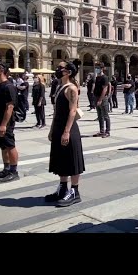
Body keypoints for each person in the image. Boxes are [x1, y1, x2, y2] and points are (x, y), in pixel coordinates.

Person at [45, 60, 85, 206]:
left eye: (60, 68)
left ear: (68, 72)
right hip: (59, 127)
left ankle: (74, 191)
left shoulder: (71, 88)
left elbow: (73, 111)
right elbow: (56, 111)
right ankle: (62, 188)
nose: (57, 69)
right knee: (62, 159)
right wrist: (52, 129)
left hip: (69, 129)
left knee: (72, 160)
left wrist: (66, 132)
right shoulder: (60, 86)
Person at [0, 61, 20, 183]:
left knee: (10, 145)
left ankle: (14, 171)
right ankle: (6, 169)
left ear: (1, 70)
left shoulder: (9, 86)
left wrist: (3, 124)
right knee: (3, 146)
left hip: (6, 123)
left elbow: (10, 107)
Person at [92, 63, 110, 138]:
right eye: (96, 67)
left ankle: (107, 131)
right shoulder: (97, 77)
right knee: (99, 115)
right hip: (96, 97)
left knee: (105, 115)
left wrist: (100, 99)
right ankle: (101, 131)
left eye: (98, 68)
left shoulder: (104, 77)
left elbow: (105, 89)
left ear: (102, 68)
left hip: (102, 98)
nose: (96, 69)